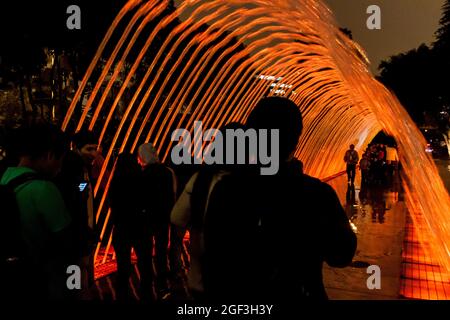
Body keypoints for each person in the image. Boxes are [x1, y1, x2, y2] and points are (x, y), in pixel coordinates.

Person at [202, 97, 357, 301]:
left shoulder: (227, 189)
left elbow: (214, 259)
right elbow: (341, 255)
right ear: (296, 140)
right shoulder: (317, 194)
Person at [170, 122, 244, 301]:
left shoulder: (201, 179)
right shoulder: (252, 183)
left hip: (200, 279)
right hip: (239, 280)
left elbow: (177, 218)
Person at [0, 123, 72, 299]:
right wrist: (75, 286)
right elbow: (68, 244)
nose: (60, 167)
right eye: (60, 160)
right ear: (49, 155)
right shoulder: (44, 189)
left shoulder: (4, 178)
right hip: (39, 279)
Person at [55, 129, 98, 299]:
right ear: (77, 148)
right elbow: (77, 193)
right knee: (77, 283)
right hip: (77, 237)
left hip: (83, 233)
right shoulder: (72, 166)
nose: (94, 153)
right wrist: (82, 188)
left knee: (80, 281)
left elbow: (82, 190)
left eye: (96, 148)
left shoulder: (82, 166)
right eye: (89, 149)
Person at [110, 152, 154, 300]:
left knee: (123, 265)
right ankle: (147, 292)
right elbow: (148, 202)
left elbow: (112, 204)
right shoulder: (142, 179)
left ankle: (122, 294)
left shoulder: (116, 181)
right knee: (145, 262)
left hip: (122, 228)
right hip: (141, 227)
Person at [137, 142, 176, 300]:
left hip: (147, 218)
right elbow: (173, 193)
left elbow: (140, 198)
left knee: (145, 251)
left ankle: (146, 284)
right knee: (161, 250)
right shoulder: (167, 172)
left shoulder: (143, 174)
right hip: (164, 216)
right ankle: (162, 282)